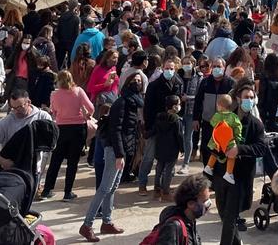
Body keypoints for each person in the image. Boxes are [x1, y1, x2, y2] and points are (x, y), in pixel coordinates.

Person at [81, 71, 143, 241]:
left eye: (139, 81)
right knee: (104, 188)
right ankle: (87, 225)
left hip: (122, 150)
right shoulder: (122, 103)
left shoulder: (134, 103)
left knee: (113, 187)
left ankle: (107, 221)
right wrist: (119, 154)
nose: (136, 83)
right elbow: (116, 130)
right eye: (134, 80)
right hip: (115, 151)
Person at [211, 83, 267, 245]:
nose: (249, 100)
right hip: (222, 173)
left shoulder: (256, 124)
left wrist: (240, 149)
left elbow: (261, 147)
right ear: (237, 99)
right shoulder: (226, 117)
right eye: (246, 98)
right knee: (224, 214)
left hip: (240, 177)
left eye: (251, 98)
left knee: (230, 217)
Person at [40, 69, 93, 201]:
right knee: (73, 162)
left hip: (61, 128)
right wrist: (87, 115)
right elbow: (91, 107)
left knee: (55, 160)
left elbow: (53, 111)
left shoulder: (54, 94)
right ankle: (67, 192)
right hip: (78, 127)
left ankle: (47, 190)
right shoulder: (79, 91)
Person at [0, 89, 53, 179]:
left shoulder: (43, 117)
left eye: (19, 107)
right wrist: (3, 162)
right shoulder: (5, 122)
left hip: (35, 171)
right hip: (13, 172)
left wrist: (41, 169)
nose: (16, 111)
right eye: (13, 108)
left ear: (28, 102)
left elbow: (50, 145)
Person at [140, 57, 184, 197]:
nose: (169, 71)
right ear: (162, 68)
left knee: (168, 159)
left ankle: (164, 187)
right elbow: (148, 108)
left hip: (171, 127)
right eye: (167, 68)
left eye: (172, 69)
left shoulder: (178, 83)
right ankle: (143, 183)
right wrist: (148, 126)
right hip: (155, 125)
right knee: (149, 157)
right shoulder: (154, 85)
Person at [141, 175, 213, 245]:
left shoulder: (190, 220)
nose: (209, 204)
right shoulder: (173, 228)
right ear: (191, 204)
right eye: (205, 201)